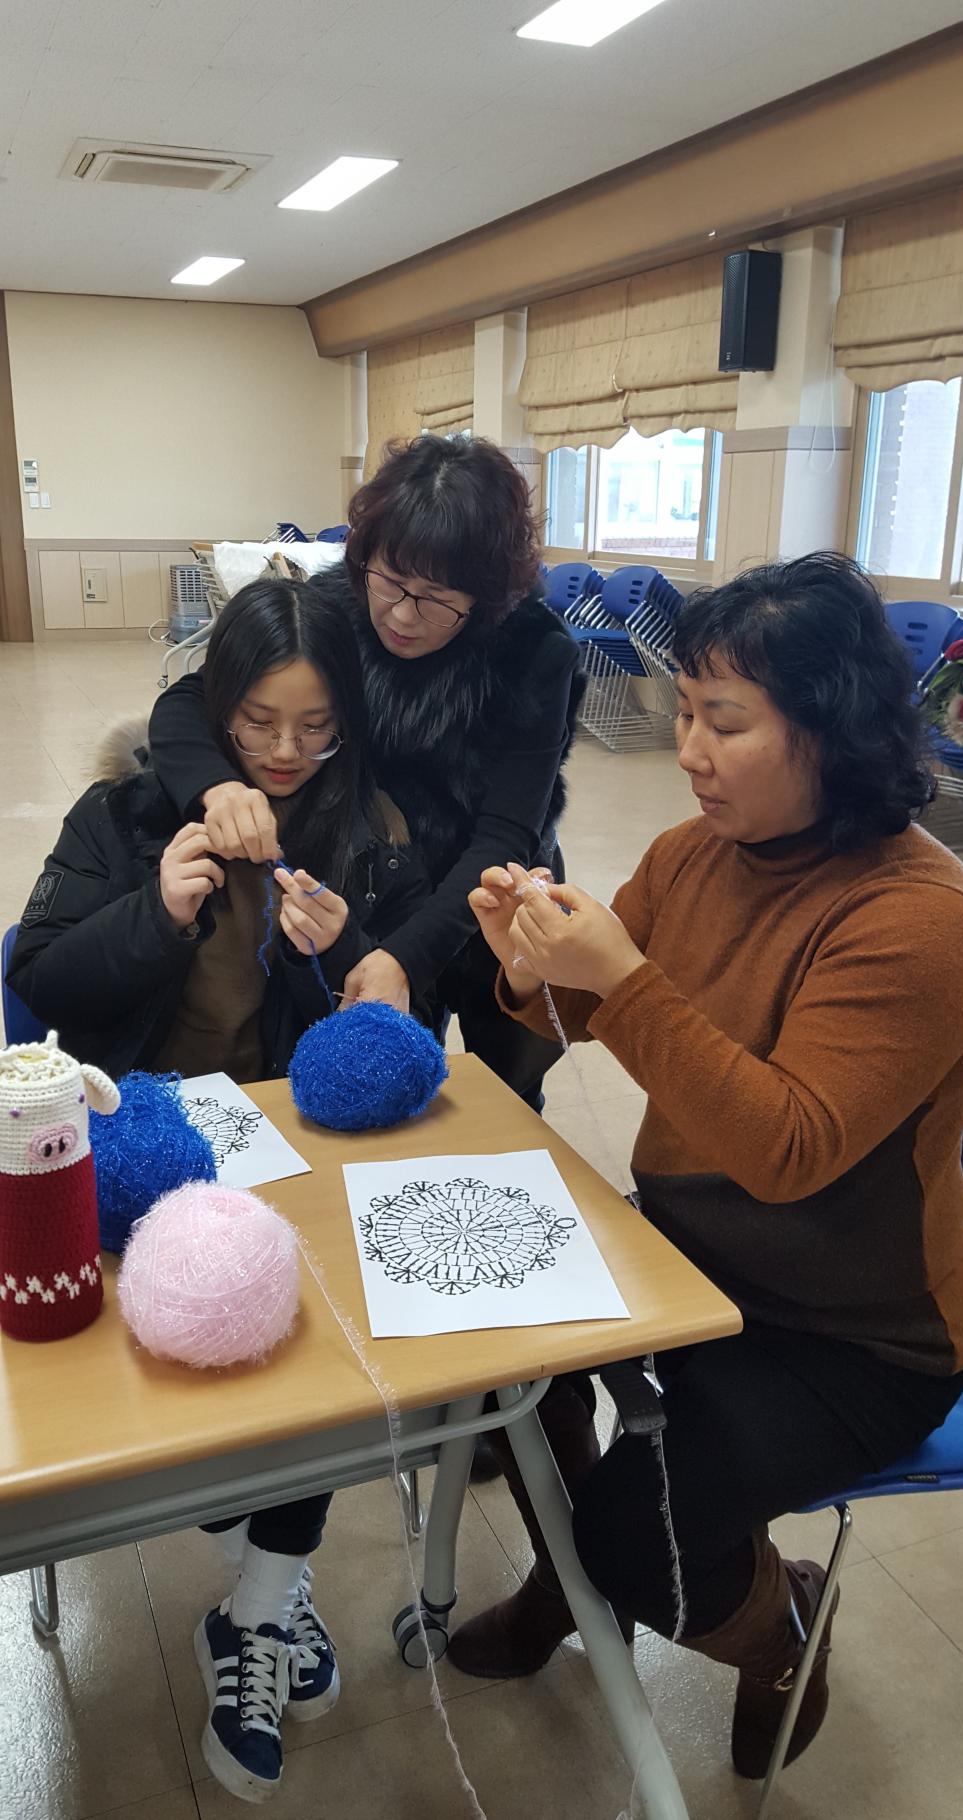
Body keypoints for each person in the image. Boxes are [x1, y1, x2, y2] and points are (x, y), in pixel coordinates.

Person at [450, 553, 963, 1783]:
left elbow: (784, 1149)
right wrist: (528, 965)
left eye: (724, 720)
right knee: (493, 1354)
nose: (689, 749)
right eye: (687, 711)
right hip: (693, 1249)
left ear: (832, 730)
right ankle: (570, 1583)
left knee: (635, 1529)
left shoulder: (918, 919)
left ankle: (775, 1628)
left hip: (853, 1328)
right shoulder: (693, 853)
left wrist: (621, 976)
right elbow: (572, 1016)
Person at [6, 575, 432, 1805]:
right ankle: (260, 1566)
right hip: (140, 1137)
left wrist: (348, 956)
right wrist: (155, 910)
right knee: (233, 1338)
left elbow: (376, 1029)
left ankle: (257, 1601)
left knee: (324, 1338)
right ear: (213, 709)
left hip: (279, 1146)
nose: (286, 752)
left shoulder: (365, 826)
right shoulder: (123, 810)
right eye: (256, 722)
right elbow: (40, 981)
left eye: (317, 726)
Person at [147, 435, 584, 1110]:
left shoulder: (535, 650)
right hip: (378, 881)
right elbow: (188, 701)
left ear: (486, 595)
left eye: (437, 599)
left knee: (506, 1087)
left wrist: (409, 956)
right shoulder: (336, 604)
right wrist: (220, 787)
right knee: (394, 1072)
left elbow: (505, 835)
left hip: (489, 887)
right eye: (392, 581)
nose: (403, 616)